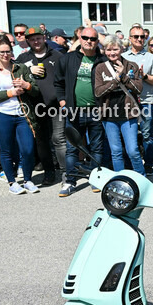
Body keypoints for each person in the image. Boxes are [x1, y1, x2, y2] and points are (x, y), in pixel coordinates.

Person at [0, 41, 39, 195]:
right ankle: (12, 182)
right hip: (2, 115)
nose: (5, 55)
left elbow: (36, 90)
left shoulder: (21, 68)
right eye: (2, 52)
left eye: (8, 51)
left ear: (12, 52)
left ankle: (28, 180)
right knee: (6, 150)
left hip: (22, 114)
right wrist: (9, 93)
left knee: (28, 149)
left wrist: (27, 85)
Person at [57, 27, 106, 197]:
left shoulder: (103, 60)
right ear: (79, 37)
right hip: (74, 111)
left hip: (96, 111)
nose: (88, 41)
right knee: (72, 148)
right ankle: (70, 181)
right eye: (85, 37)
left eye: (92, 39)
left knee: (97, 148)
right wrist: (63, 101)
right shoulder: (68, 58)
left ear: (97, 41)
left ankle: (95, 179)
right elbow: (58, 82)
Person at [16, 27, 64, 185]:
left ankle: (65, 172)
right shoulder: (23, 58)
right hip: (35, 106)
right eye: (32, 39)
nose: (36, 41)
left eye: (38, 38)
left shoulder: (57, 55)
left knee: (58, 139)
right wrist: (28, 69)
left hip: (56, 105)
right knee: (42, 140)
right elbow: (14, 75)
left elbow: (66, 78)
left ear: (44, 38)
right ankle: (49, 171)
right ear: (28, 41)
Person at [94, 34, 145, 175]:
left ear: (121, 49)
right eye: (108, 50)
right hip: (109, 115)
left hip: (128, 114)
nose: (112, 53)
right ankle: (120, 181)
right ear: (104, 50)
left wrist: (124, 76)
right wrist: (115, 81)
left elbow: (138, 89)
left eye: (115, 49)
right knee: (116, 152)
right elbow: (98, 92)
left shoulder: (131, 66)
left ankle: (142, 179)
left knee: (133, 150)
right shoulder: (100, 68)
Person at [123, 25, 153, 175]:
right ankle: (130, 164)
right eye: (136, 37)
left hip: (146, 100)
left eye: (142, 37)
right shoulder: (124, 57)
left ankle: (149, 164)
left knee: (147, 134)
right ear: (130, 39)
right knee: (128, 134)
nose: (139, 39)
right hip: (127, 101)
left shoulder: (151, 57)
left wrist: (144, 76)